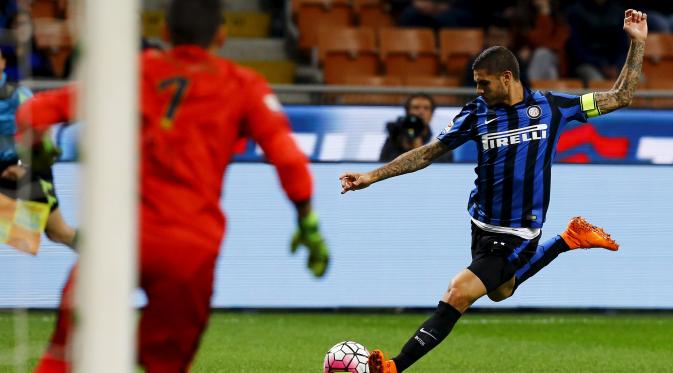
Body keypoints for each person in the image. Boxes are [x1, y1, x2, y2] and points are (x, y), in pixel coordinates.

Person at [18, 0, 329, 371]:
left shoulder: (132, 71)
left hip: (122, 237)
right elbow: (289, 158)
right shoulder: (244, 85)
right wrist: (306, 220)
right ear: (222, 34)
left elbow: (31, 113)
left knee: (65, 356)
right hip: (190, 249)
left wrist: (41, 149)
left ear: (164, 33)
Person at [340, 8, 647, 373]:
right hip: (481, 225)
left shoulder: (553, 106)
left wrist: (637, 44)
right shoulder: (477, 113)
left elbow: (621, 96)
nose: (478, 90)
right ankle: (569, 238)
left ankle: (393, 366)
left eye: (483, 83)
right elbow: (429, 152)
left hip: (517, 231)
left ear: (506, 77)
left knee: (458, 292)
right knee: (502, 291)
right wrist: (373, 176)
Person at [0, 48, 76, 250]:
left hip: (31, 165)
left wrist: (22, 166)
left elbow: (43, 135)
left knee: (58, 232)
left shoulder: (18, 95)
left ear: (3, 64)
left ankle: (106, 255)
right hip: (3, 170)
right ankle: (23, 233)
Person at [379, 93, 452, 163]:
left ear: (431, 114)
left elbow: (444, 169)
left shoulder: (441, 145)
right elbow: (383, 167)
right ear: (407, 112)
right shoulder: (394, 141)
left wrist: (419, 148)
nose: (421, 112)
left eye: (426, 108)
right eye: (416, 108)